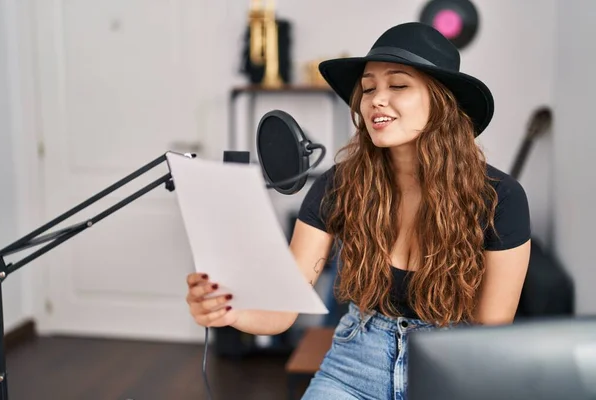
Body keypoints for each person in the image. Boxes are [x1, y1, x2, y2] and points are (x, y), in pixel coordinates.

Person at [185, 22, 531, 399]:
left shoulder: (501, 198)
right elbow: (282, 310)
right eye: (368, 88)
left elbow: (489, 333)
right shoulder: (339, 186)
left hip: (449, 369)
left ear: (441, 100)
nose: (376, 100)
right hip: (353, 368)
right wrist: (228, 313)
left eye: (398, 85)